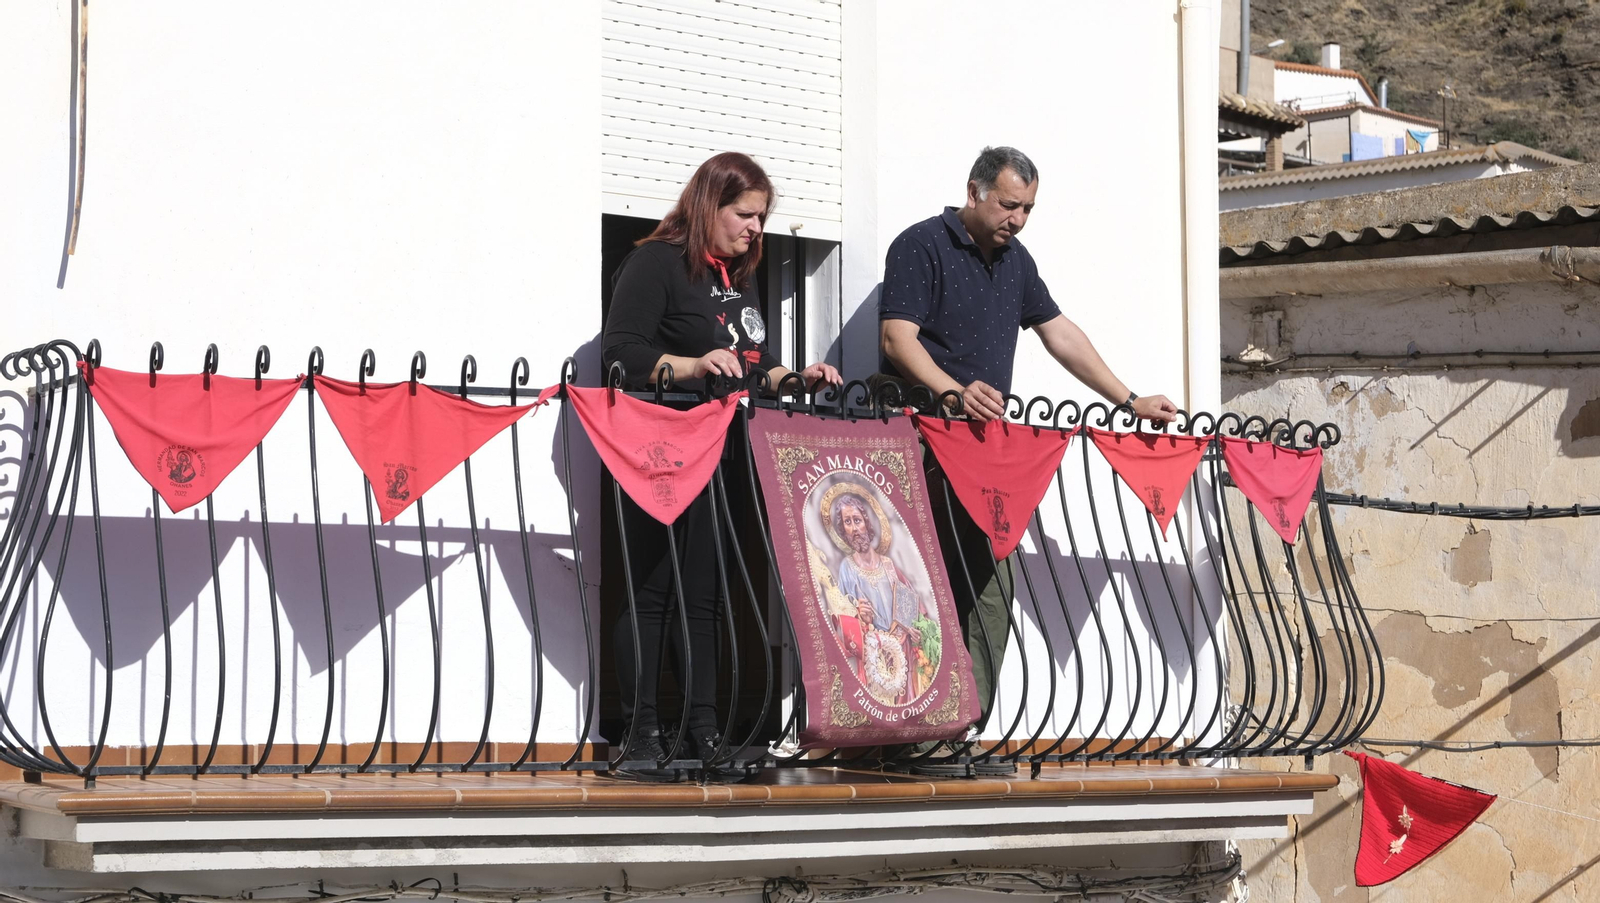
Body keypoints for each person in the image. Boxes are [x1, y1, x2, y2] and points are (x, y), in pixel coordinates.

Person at [878, 146, 1178, 775]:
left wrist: (1129, 400)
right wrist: (952, 392)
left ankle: (959, 734)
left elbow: (1060, 332)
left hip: (988, 455)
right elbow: (895, 339)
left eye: (1028, 208)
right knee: (923, 590)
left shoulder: (1018, 262)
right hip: (922, 448)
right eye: (1009, 204)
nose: (1018, 218)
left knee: (991, 590)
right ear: (976, 190)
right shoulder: (919, 245)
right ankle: (915, 739)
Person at [602, 151, 841, 782]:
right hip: (657, 450)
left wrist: (799, 377)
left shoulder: (737, 278)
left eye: (762, 217)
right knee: (651, 593)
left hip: (722, 450)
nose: (756, 228)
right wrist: (692, 366)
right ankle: (640, 734)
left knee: (705, 597)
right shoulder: (653, 262)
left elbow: (749, 365)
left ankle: (704, 732)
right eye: (745, 214)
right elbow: (618, 355)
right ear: (710, 204)